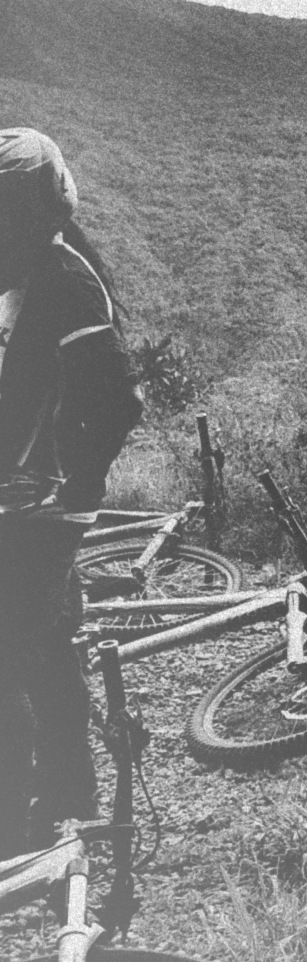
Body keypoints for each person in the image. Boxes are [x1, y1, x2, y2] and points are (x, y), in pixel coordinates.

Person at [0, 129, 142, 857]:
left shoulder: (64, 280)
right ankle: (69, 805)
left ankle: (13, 841)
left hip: (37, 512)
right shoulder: (20, 276)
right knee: (51, 648)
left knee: (8, 665)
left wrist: (74, 497)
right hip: (22, 506)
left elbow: (116, 401)